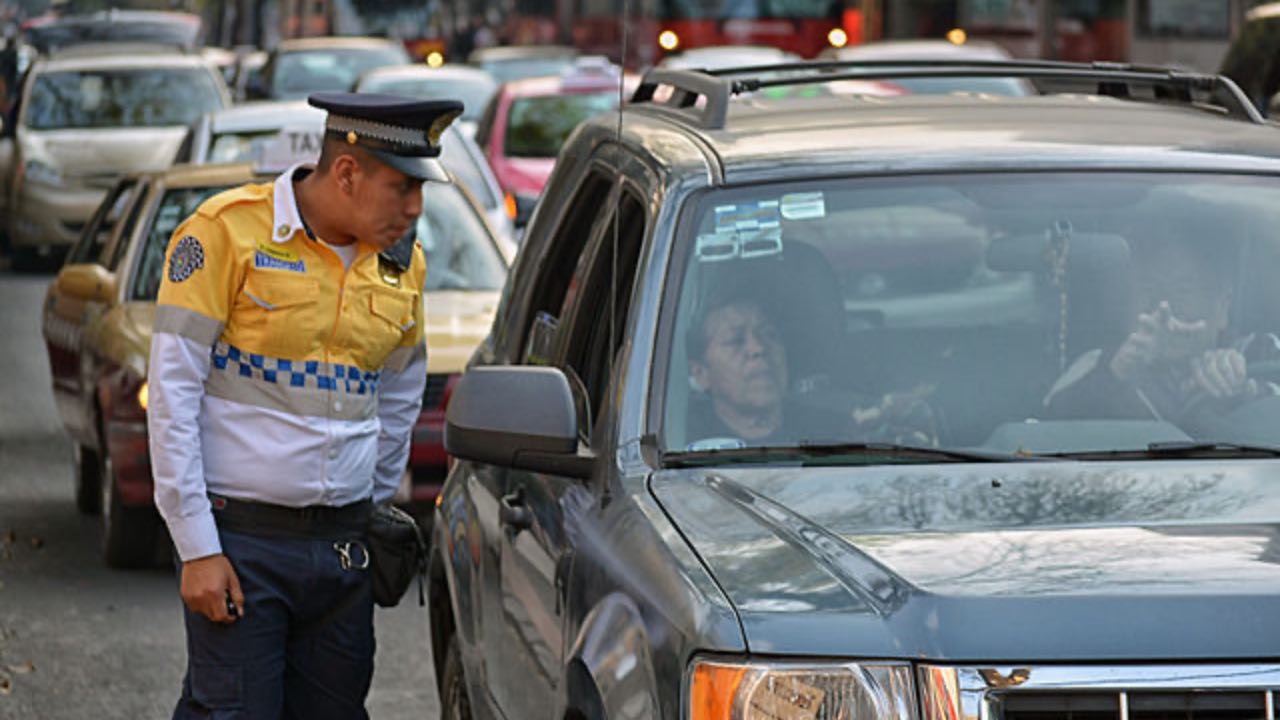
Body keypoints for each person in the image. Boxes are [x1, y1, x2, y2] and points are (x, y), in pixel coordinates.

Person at [147, 92, 462, 719]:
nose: (416, 207)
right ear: (346, 172)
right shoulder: (226, 233)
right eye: (402, 186)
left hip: (343, 553)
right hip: (243, 546)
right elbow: (173, 394)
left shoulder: (405, 267)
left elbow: (399, 394)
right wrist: (197, 547)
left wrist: (371, 505)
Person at [1044, 232, 1280, 425]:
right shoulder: (1100, 363)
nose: (1164, 305)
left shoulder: (1262, 351)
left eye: (1183, 289)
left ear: (1222, 307)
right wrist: (1116, 376)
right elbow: (1049, 430)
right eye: (1149, 288)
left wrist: (1243, 389)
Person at [685, 284, 939, 447]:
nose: (758, 349)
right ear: (700, 373)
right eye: (735, 341)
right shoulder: (680, 450)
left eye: (769, 334)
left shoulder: (841, 429)